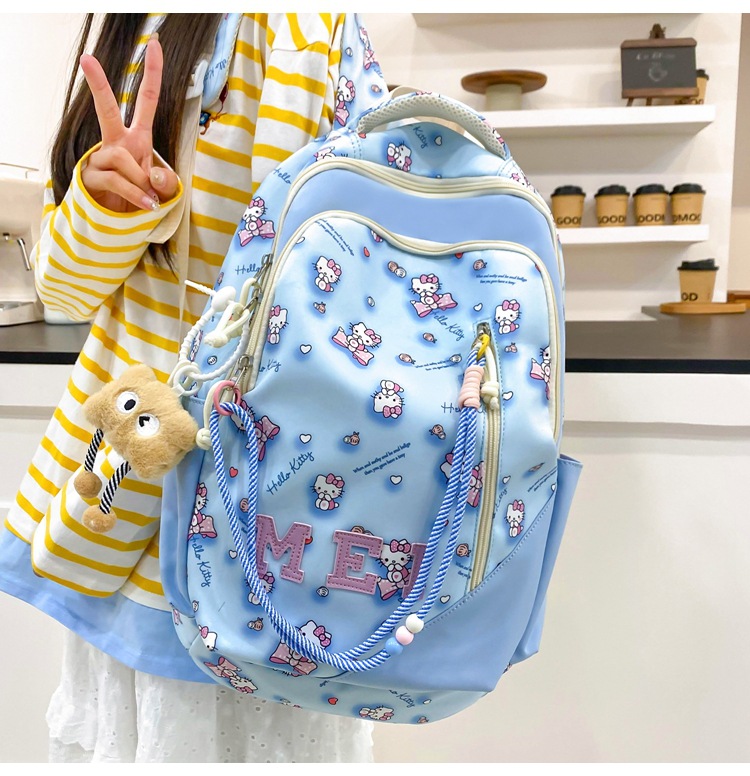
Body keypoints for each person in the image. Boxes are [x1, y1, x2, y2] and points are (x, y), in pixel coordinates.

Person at [0, 12, 388, 763]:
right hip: (127, 493)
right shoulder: (131, 27)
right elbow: (65, 291)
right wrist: (108, 209)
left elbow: (314, 274)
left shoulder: (305, 26)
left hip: (247, 514)